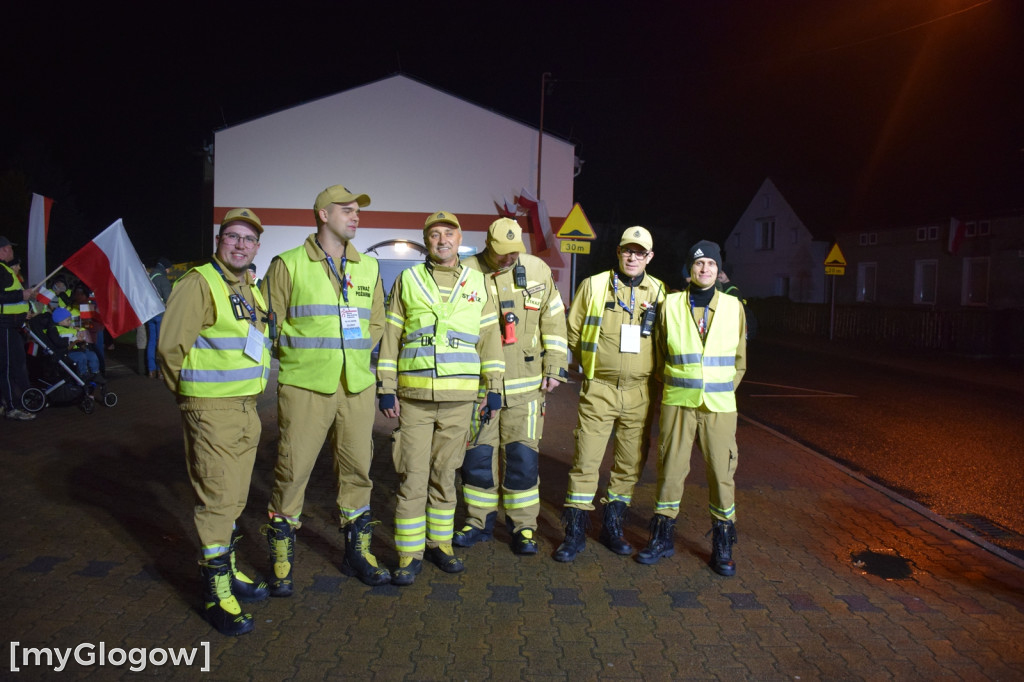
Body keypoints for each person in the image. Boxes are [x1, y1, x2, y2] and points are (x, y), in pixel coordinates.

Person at [262, 184, 390, 592]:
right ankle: (281, 558)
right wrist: (302, 357)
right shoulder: (288, 264)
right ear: (323, 214)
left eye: (358, 211)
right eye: (347, 210)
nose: (356, 216)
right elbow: (269, 325)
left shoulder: (367, 267)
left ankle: (358, 552)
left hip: (356, 385)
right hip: (305, 385)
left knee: (358, 471)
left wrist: (352, 354)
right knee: (292, 470)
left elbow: (377, 321)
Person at [157, 208, 272, 635]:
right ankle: (215, 593)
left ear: (256, 247)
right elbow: (170, 349)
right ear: (219, 240)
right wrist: (192, 400)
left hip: (246, 408)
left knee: (235, 499)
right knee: (218, 501)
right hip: (212, 410)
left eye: (249, 239)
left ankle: (230, 570)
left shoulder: (249, 288)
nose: (241, 245)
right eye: (233, 236)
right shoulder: (199, 283)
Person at [378, 210, 504, 586]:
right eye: (435, 234)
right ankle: (409, 554)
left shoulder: (478, 283)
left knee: (445, 475)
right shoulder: (409, 279)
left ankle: (440, 545)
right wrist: (386, 387)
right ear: (426, 241)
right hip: (414, 397)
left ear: (459, 239)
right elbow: (391, 336)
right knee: (412, 477)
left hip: (459, 398)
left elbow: (490, 339)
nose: (442, 240)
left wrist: (493, 388)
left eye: (449, 233)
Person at [454, 218, 567, 554]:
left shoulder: (537, 269)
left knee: (522, 460)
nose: (508, 259)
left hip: (527, 389)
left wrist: (555, 366)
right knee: (477, 460)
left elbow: (553, 319)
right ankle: (478, 522)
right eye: (502, 253)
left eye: (514, 252)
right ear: (488, 245)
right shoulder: (465, 271)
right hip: (479, 389)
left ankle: (523, 527)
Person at [554, 226, 666, 562]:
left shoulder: (659, 291)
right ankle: (575, 532)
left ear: (649, 257)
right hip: (599, 388)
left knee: (629, 464)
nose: (632, 257)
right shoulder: (594, 285)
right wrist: (589, 366)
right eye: (627, 250)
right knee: (585, 461)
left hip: (640, 392)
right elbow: (572, 332)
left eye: (640, 252)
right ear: (618, 252)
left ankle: (612, 528)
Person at [640, 239, 746, 576]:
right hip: (678, 402)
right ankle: (662, 537)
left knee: (721, 473)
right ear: (690, 269)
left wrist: (720, 388)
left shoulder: (734, 307)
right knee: (670, 469)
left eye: (711, 264)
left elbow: (740, 361)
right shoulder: (670, 305)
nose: (705, 269)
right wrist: (677, 383)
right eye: (699, 263)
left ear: (718, 269)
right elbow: (659, 353)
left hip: (719, 406)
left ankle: (723, 545)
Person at [1, 236, 39, 421]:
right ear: (3, 250)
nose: (12, 251)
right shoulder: (1, 270)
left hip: (12, 325)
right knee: (8, 367)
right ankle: (10, 406)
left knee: (16, 364)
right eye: (10, 248)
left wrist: (25, 301)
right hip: (5, 325)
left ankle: (17, 401)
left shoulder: (5, 270)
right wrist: (21, 295)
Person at [146, 257, 173, 379]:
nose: (169, 271)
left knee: (151, 341)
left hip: (150, 313)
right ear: (165, 268)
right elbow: (169, 299)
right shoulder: (163, 279)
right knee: (161, 342)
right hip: (160, 314)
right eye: (168, 269)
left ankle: (151, 370)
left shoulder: (150, 276)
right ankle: (160, 370)